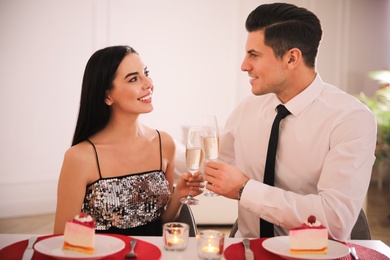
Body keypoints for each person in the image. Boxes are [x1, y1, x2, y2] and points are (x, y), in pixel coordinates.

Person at [203, 3, 377, 240]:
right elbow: (212, 162)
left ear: (292, 58)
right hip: (246, 249)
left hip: (314, 255)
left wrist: (246, 190)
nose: (244, 65)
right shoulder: (248, 109)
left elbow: (335, 219)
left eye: (254, 55)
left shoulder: (350, 119)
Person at [54, 45, 204, 236]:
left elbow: (164, 220)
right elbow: (61, 237)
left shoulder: (164, 143)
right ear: (107, 95)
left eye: (146, 73)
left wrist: (179, 195)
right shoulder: (80, 157)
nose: (148, 83)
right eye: (134, 79)